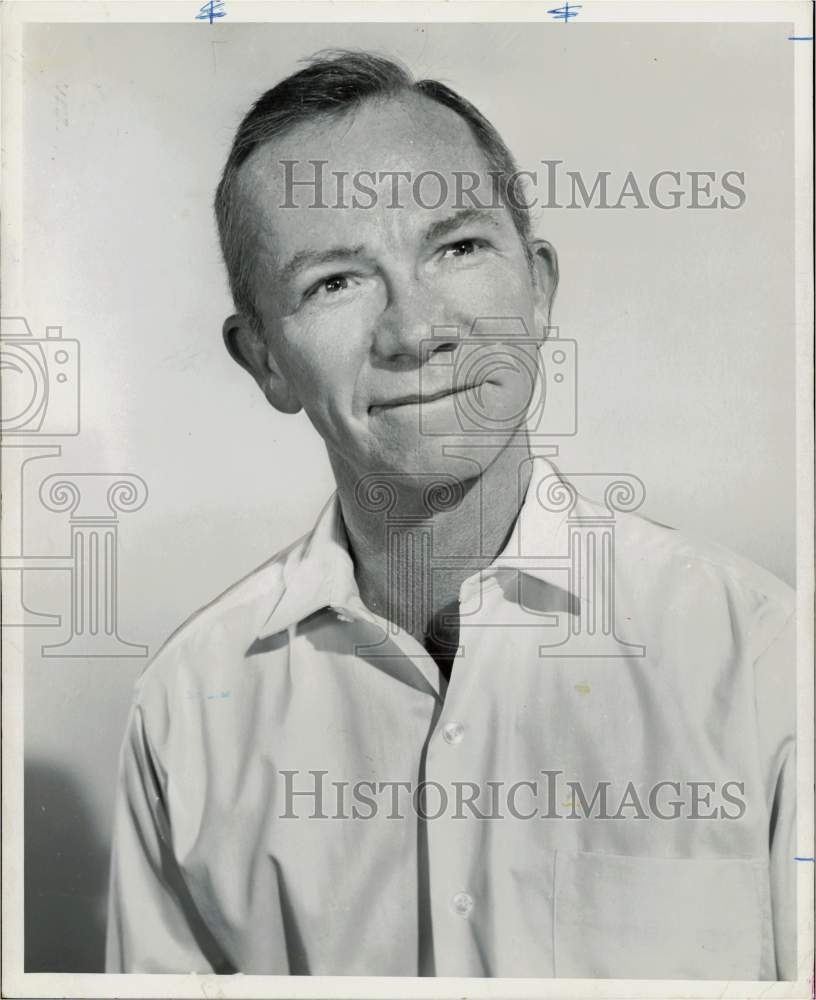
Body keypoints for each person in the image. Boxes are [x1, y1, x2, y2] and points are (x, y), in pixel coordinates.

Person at [105, 50, 796, 979]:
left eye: (458, 247)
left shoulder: (767, 663)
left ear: (539, 286)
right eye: (335, 282)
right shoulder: (187, 709)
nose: (416, 330)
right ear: (264, 360)